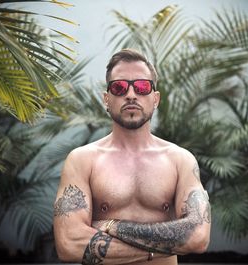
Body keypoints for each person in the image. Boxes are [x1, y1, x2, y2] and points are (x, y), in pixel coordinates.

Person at [53, 48, 211, 265]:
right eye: (119, 87)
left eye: (142, 86)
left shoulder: (180, 160)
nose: (131, 94)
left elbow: (198, 236)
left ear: (155, 98)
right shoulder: (82, 161)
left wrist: (110, 226)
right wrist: (163, 245)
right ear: (106, 99)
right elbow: (69, 244)